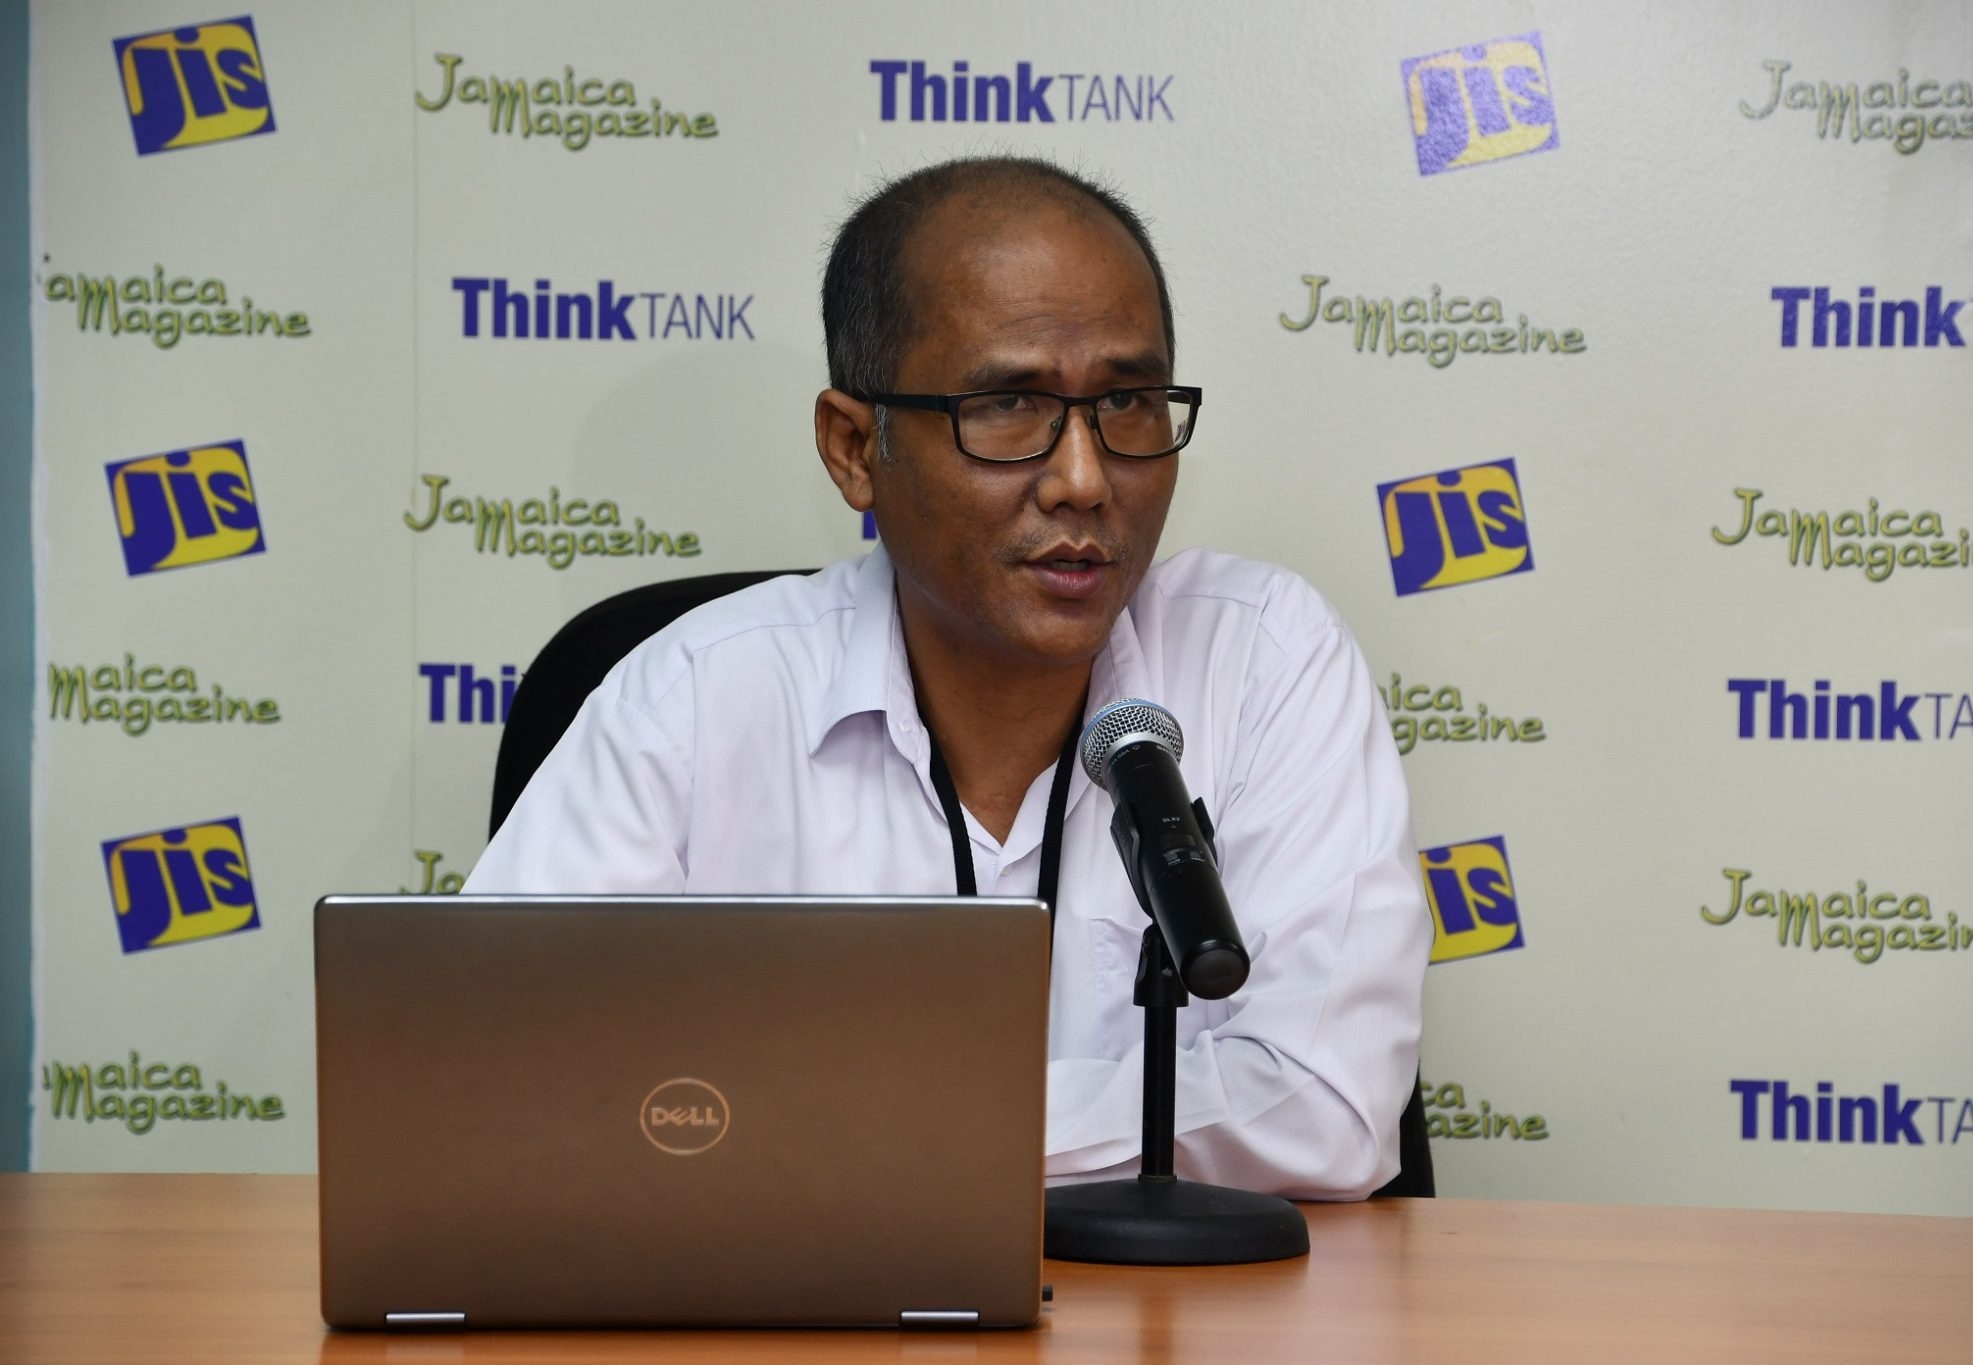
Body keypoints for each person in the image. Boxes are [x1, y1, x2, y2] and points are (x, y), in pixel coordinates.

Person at [467, 156, 1431, 1199]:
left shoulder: (1261, 658)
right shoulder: (695, 699)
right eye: (1008, 404)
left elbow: (1324, 1106)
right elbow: (501, 1081)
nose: (1083, 479)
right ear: (853, 448)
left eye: (1128, 401)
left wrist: (842, 1131)